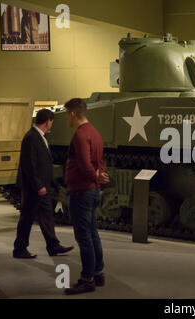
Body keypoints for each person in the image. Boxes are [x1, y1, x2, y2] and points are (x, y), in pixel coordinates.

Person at [62, 98, 110, 295]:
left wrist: (94, 176)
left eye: (67, 114)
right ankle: (98, 273)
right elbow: (99, 161)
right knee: (92, 233)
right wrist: (98, 176)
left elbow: (83, 163)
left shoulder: (80, 135)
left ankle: (87, 279)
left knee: (83, 236)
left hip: (82, 190)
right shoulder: (94, 132)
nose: (66, 118)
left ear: (72, 113)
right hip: (92, 190)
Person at [13, 109, 74, 258]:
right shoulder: (31, 138)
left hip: (42, 186)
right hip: (35, 187)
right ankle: (19, 249)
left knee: (47, 216)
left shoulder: (39, 137)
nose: (51, 124)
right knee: (27, 217)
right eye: (51, 121)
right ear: (48, 121)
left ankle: (53, 246)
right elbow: (29, 165)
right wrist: (38, 185)